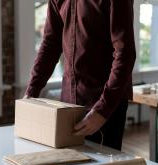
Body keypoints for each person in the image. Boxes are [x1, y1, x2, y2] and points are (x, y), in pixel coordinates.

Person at [24, 0, 136, 151]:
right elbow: (50, 43)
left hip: (105, 104)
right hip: (68, 103)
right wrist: (31, 92)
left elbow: (125, 54)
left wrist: (102, 111)